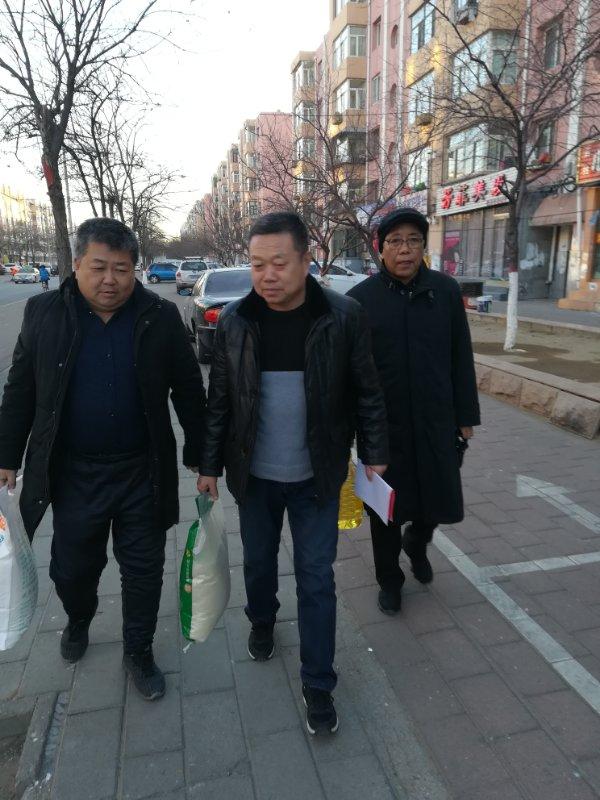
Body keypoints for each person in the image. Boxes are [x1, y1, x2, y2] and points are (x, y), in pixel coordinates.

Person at [197, 212, 388, 736]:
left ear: (307, 260)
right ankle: (261, 620)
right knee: (258, 564)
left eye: (279, 263)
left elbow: (368, 391)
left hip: (317, 478)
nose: (267, 275)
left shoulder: (343, 317)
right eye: (257, 264)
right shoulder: (235, 321)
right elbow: (220, 401)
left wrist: (375, 452)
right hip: (254, 478)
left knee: (316, 578)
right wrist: (209, 466)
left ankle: (318, 683)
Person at [0, 218, 205, 700]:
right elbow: (20, 389)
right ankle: (78, 617)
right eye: (98, 267)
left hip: (142, 471)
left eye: (122, 268)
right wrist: (7, 455)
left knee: (144, 571)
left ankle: (139, 650)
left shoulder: (158, 316)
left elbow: (189, 389)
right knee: (72, 569)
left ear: (135, 269)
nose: (110, 279)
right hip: (74, 474)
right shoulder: (43, 313)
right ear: (76, 265)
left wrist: (202, 455)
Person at [347, 207, 480, 615]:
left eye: (413, 241)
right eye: (395, 242)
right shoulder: (360, 301)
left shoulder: (444, 291)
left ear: (424, 246)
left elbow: (461, 356)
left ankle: (417, 542)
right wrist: (348, 428)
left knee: (436, 500)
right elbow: (350, 373)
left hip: (436, 420)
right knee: (384, 511)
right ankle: (390, 580)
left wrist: (465, 417)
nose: (404, 250)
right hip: (382, 428)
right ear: (380, 248)